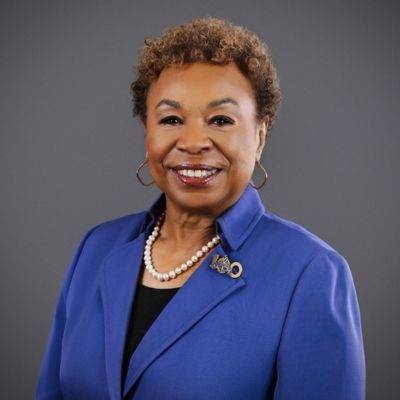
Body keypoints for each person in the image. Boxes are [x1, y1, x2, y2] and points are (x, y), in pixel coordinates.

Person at [36, 17, 365, 400]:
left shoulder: (311, 273)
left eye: (221, 120)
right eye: (171, 119)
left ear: (260, 136)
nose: (193, 142)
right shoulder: (95, 249)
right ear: (147, 132)